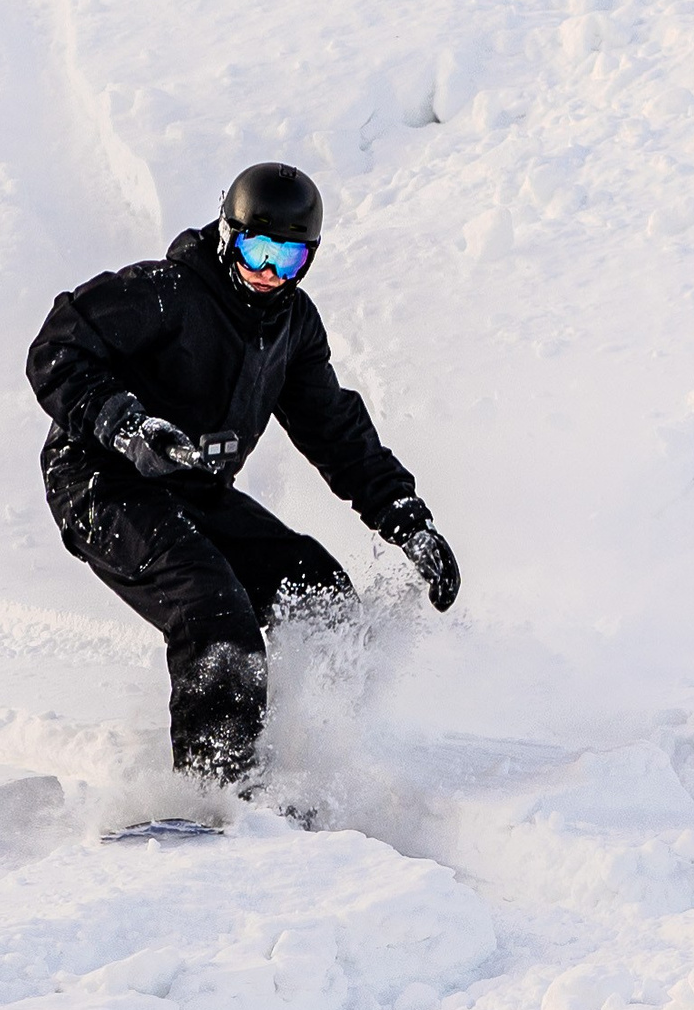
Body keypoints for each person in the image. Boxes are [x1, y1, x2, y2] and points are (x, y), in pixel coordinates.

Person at [26, 163, 460, 795]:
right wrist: (125, 425)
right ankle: (215, 791)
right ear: (228, 236)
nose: (266, 272)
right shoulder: (167, 291)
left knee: (318, 592)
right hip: (101, 479)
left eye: (287, 259)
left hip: (191, 487)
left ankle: (296, 754)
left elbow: (333, 428)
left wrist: (406, 517)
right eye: (257, 250)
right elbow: (57, 347)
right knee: (212, 605)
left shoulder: (292, 326)